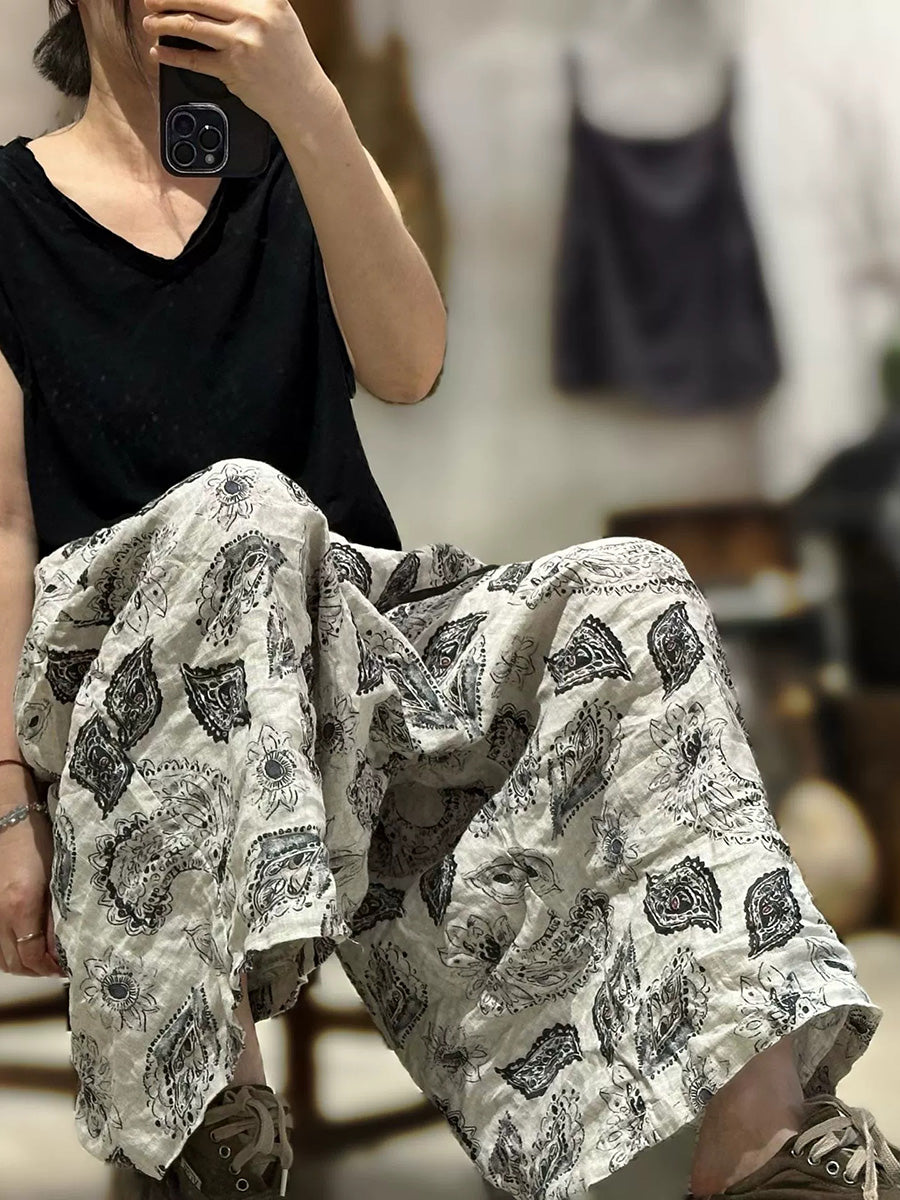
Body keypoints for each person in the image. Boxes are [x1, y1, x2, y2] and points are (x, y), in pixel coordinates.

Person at [0, 3, 897, 1200]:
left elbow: (409, 363)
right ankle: (211, 1115)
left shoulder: (299, 157)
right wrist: (5, 807)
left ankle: (764, 1146)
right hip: (122, 691)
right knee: (241, 509)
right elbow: (1, 528)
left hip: (346, 663)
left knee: (634, 590)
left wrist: (309, 106)